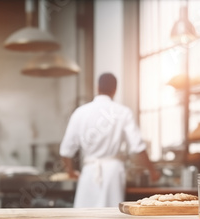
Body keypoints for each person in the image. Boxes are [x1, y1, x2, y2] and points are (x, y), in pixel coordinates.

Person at [59, 73, 160, 207]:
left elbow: (66, 151)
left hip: (89, 172)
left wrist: (71, 172)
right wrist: (152, 171)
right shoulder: (123, 112)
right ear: (115, 89)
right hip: (113, 172)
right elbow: (138, 147)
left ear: (97, 87)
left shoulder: (80, 112)